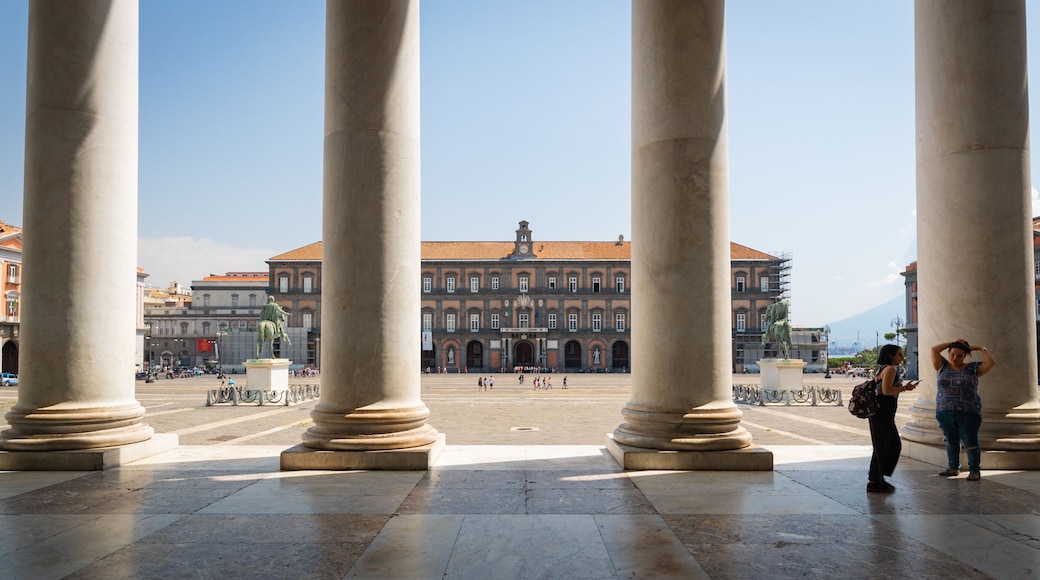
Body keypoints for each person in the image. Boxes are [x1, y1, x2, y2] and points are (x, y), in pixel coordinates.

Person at [931, 339, 996, 481]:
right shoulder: (943, 366)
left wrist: (980, 348)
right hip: (944, 410)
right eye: (952, 354)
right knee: (951, 440)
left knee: (970, 441)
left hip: (968, 412)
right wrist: (952, 343)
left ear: (965, 356)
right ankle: (953, 468)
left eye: (959, 355)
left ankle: (974, 470)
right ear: (949, 354)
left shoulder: (972, 368)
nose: (955, 358)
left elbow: (991, 363)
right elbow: (934, 350)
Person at [867, 344, 919, 493]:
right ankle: (876, 481)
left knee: (883, 446)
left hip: (882, 412)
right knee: (889, 445)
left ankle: (876, 479)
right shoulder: (889, 369)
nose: (902, 357)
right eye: (899, 354)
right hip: (883, 411)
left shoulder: (882, 368)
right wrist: (905, 388)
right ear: (891, 355)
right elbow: (886, 390)